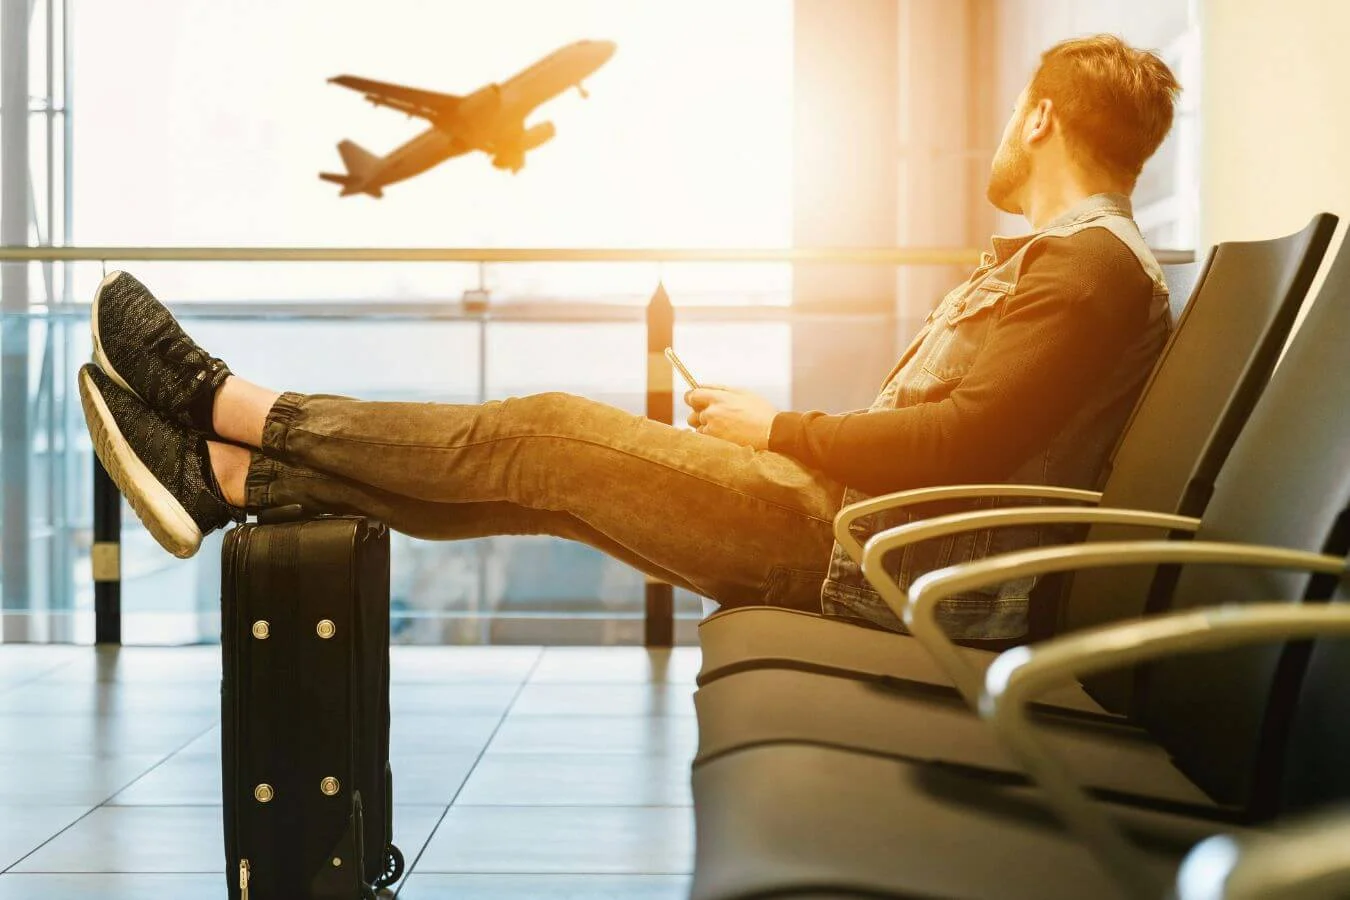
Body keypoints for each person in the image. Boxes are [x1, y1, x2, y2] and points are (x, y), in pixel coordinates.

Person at [79, 34, 1180, 642]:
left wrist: (782, 427)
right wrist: (783, 436)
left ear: (1038, 118)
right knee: (550, 484)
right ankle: (227, 478)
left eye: (1009, 117)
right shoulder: (1074, 266)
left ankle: (224, 405)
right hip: (865, 541)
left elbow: (962, 445)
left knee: (546, 434)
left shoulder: (1086, 268)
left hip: (868, 561)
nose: (999, 136)